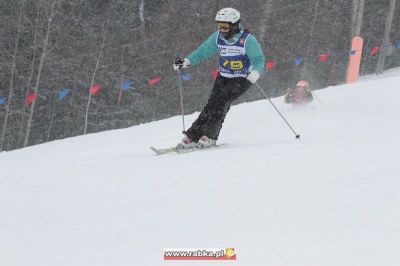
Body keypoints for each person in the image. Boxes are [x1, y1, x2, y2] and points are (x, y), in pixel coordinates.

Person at [173, 7, 265, 149]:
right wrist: (186, 62)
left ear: (234, 25)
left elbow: (259, 59)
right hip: (223, 76)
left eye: (225, 26)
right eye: (219, 26)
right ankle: (193, 136)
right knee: (211, 105)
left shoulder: (247, 40)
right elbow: (202, 52)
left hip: (242, 78)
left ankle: (210, 136)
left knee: (221, 103)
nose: (221, 30)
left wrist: (256, 73)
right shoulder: (217, 38)